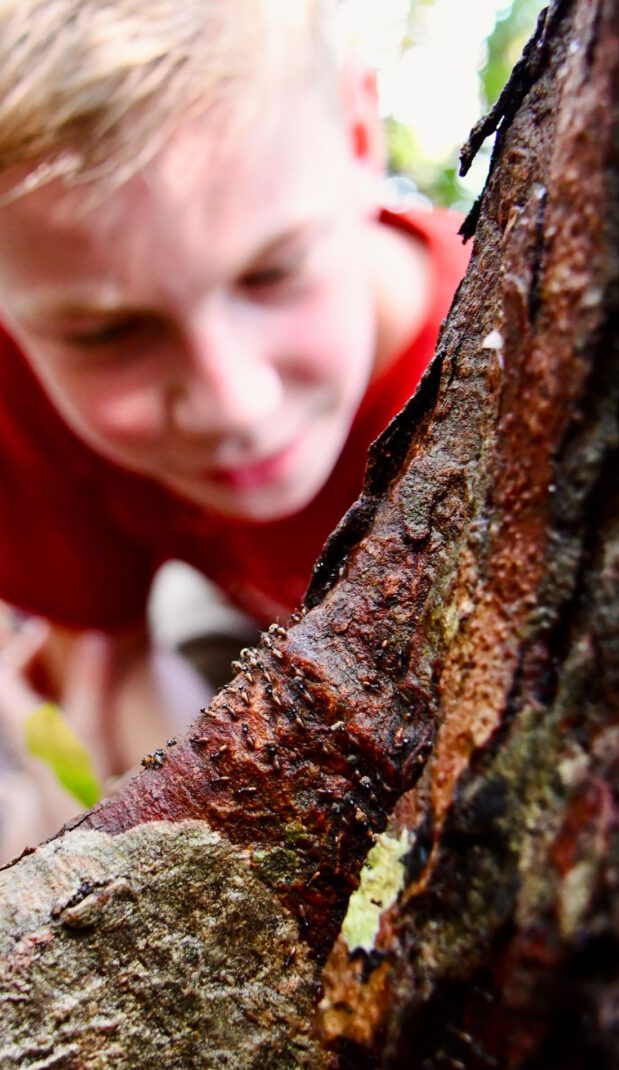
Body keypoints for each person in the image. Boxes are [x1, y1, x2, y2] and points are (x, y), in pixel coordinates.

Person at [0, 0, 470, 856]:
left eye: (272, 272)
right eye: (110, 334)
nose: (235, 405)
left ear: (356, 136)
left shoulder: (510, 353)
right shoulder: (26, 372)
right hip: (234, 639)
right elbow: (102, 654)